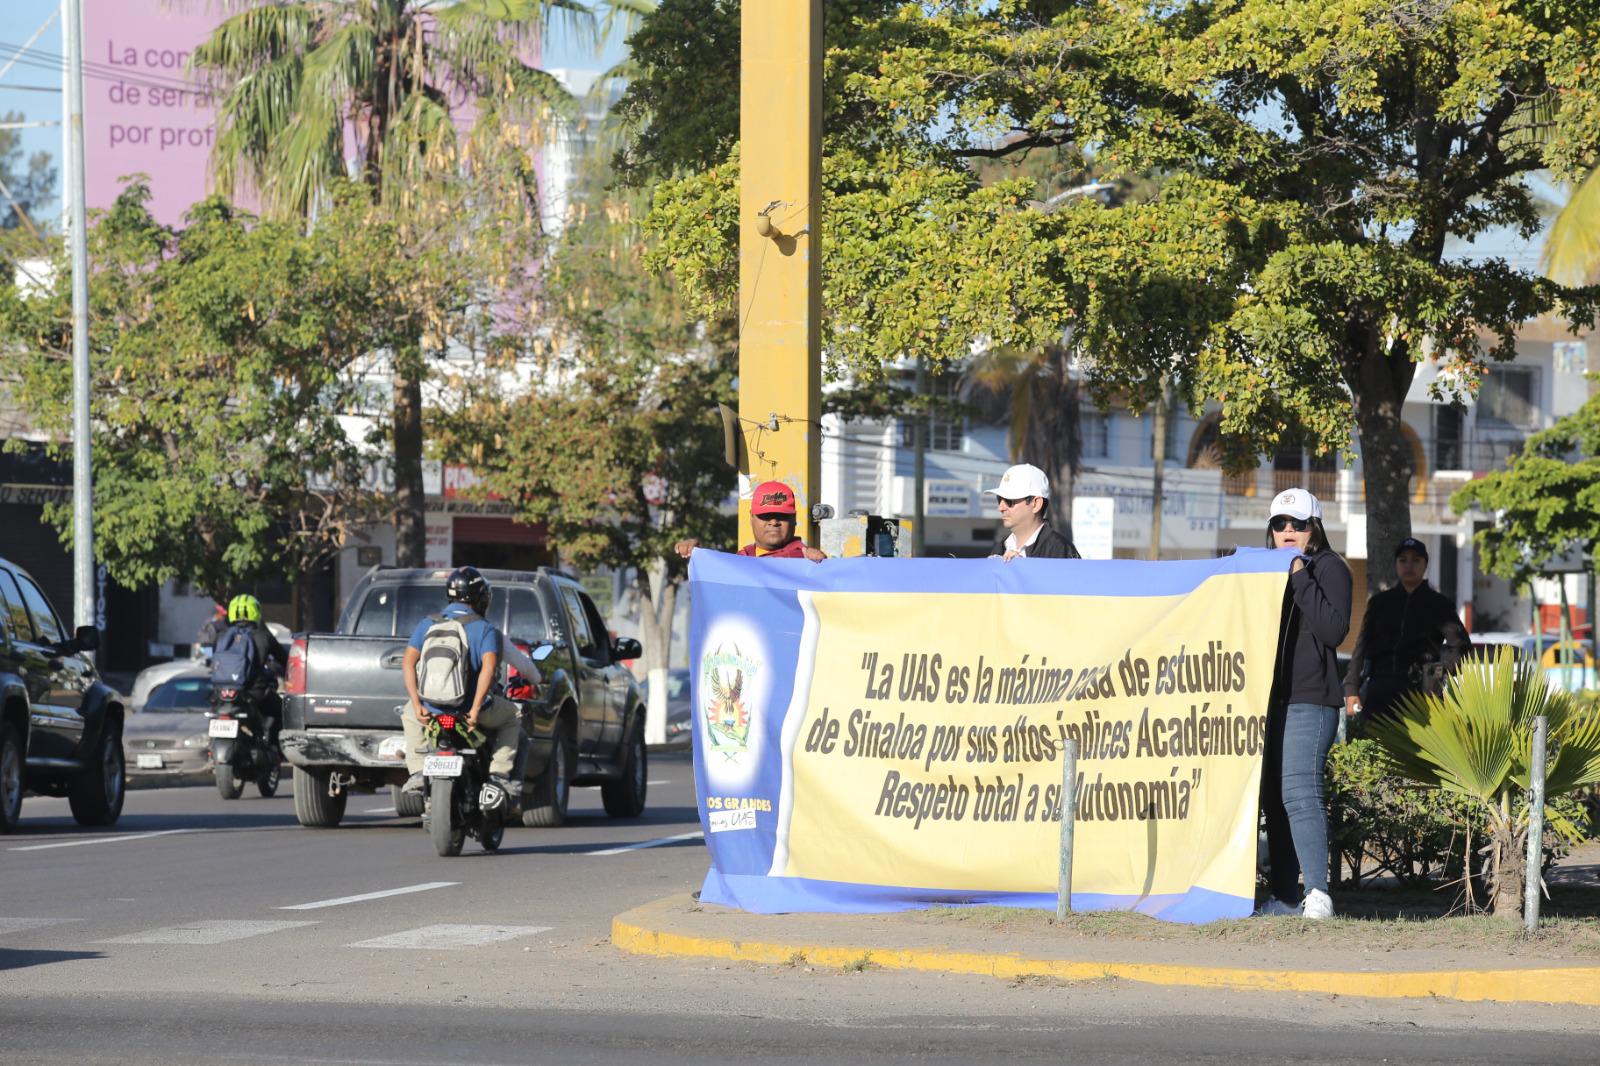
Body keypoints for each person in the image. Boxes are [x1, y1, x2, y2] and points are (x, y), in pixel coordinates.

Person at [1257, 487, 1351, 921]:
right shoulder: (1261, 572)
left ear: (1315, 527)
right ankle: (1283, 896)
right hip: (1269, 700)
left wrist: (1299, 575)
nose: (1288, 531)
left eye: (1297, 524)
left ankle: (1317, 893)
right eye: (1280, 524)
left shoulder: (1331, 569)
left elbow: (1333, 631)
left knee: (1299, 793)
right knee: (1273, 799)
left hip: (1312, 701)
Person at [400, 566, 525, 807]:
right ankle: (499, 777)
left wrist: (417, 704)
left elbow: (408, 663)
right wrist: (476, 709)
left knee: (407, 714)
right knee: (513, 715)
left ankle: (417, 772)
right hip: (469, 710)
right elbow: (488, 670)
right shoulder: (485, 628)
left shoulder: (427, 623)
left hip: (431, 709)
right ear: (481, 598)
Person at [1344, 538, 1472, 722]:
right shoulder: (1380, 603)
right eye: (1403, 560)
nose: (1409, 565)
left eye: (1416, 560)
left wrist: (1441, 669)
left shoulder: (1439, 605)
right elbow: (1361, 647)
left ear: (1425, 565)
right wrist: (1351, 688)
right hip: (1379, 689)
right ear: (1396, 564)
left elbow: (1461, 645)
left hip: (1419, 693)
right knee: (1373, 747)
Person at [674, 480, 827, 561]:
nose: (773, 522)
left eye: (782, 515)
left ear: (794, 519)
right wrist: (698, 552)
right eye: (765, 515)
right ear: (752, 517)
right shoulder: (742, 560)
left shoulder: (806, 560)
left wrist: (822, 566)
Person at [210, 594, 287, 743]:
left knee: (213, 713)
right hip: (253, 692)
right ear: (256, 612)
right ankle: (272, 748)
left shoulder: (222, 636)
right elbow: (283, 659)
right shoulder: (262, 636)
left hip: (222, 692)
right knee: (282, 711)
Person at [983, 463, 1080, 561]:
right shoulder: (999, 550)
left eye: (1009, 500)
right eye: (999, 499)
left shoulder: (1061, 550)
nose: (1001, 508)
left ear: (1036, 504)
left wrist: (1025, 568)